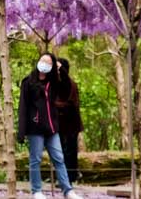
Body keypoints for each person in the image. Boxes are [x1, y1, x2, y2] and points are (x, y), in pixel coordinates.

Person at [17, 53, 83, 199]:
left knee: (59, 158)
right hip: (35, 128)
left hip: (52, 128)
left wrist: (62, 70)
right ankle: (37, 191)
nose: (44, 64)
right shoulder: (28, 82)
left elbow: (67, 86)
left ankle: (68, 190)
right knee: (36, 159)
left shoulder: (53, 82)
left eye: (48, 63)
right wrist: (21, 131)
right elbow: (23, 107)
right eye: (42, 60)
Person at [54, 58, 83, 184]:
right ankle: (63, 176)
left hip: (71, 124)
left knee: (70, 150)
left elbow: (70, 104)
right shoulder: (56, 84)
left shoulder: (70, 84)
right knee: (59, 150)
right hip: (60, 124)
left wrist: (55, 105)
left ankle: (71, 176)